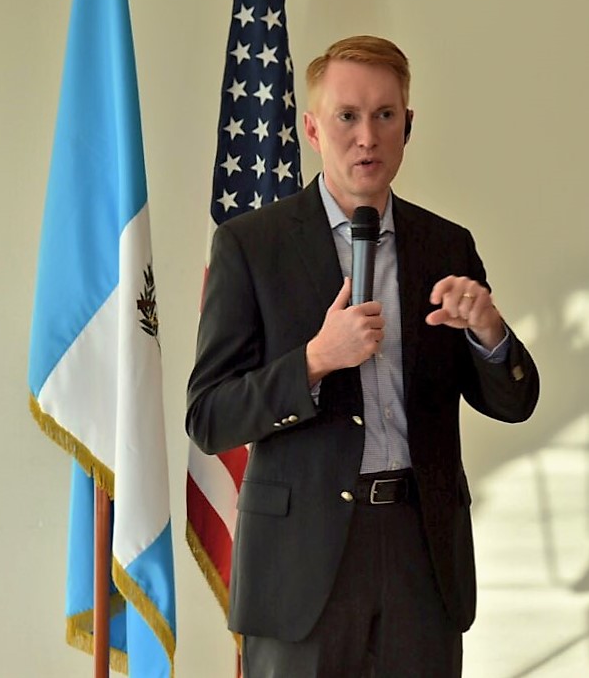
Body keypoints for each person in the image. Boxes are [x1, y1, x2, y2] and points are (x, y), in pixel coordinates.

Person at [186, 35, 539, 678]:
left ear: (409, 125)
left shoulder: (447, 244)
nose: (367, 137)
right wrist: (314, 361)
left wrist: (489, 331)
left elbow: (514, 402)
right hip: (300, 565)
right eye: (347, 116)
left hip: (422, 554)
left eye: (385, 115)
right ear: (313, 128)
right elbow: (209, 417)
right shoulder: (251, 246)